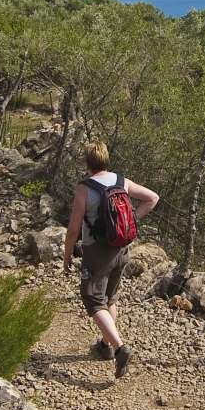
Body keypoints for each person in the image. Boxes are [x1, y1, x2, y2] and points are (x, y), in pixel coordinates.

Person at [62, 141, 159, 379]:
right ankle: (105, 347)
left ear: (87, 162)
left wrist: (67, 255)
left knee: (94, 300)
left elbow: (74, 229)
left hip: (97, 251)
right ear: (106, 159)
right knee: (110, 298)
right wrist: (131, 221)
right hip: (122, 248)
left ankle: (119, 347)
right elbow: (152, 198)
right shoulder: (121, 181)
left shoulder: (84, 189)